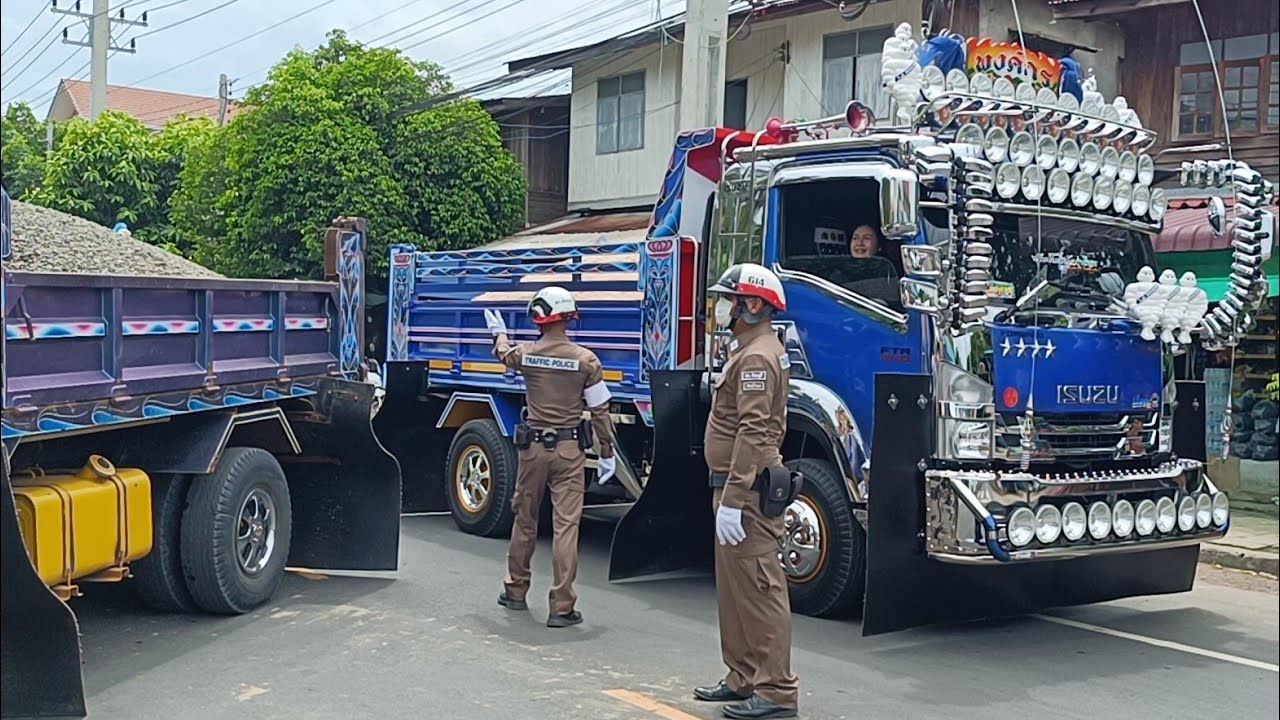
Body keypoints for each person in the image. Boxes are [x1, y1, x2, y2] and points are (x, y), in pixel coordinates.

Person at [694, 263, 799, 719]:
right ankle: (742, 676)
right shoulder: (749, 349)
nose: (723, 307)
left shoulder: (757, 356)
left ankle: (775, 690)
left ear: (752, 305)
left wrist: (734, 500)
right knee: (736, 591)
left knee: (759, 589)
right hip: (737, 490)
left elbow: (754, 434)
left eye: (730, 299)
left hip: (748, 494)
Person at [482, 287, 617, 628]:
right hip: (570, 452)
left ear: (539, 318)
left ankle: (515, 590)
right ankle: (561, 606)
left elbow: (503, 353)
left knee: (525, 519)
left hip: (532, 451)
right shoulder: (587, 361)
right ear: (569, 317)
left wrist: (499, 334)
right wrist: (606, 452)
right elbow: (600, 412)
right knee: (566, 527)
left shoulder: (526, 354)